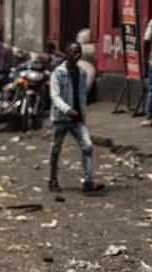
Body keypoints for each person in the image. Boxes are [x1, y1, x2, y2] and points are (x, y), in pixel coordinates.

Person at [48, 42, 104, 194]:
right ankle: (52, 180)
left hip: (77, 120)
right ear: (66, 54)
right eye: (73, 52)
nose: (77, 55)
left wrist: (81, 112)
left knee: (87, 146)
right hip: (61, 118)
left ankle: (87, 181)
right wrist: (67, 109)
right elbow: (55, 96)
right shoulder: (57, 74)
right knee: (55, 149)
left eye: (79, 52)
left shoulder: (83, 73)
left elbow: (82, 95)